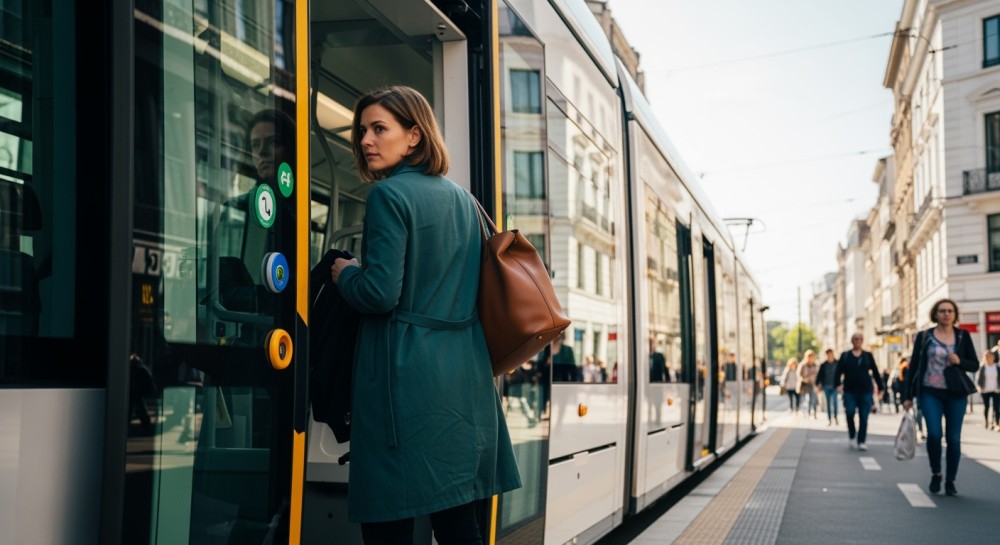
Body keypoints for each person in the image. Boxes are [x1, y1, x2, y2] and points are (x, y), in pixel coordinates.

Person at [330, 85, 521, 543]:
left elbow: (379, 294)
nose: (366, 141)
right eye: (362, 131)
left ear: (414, 136)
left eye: (380, 129)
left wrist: (344, 274)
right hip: (465, 377)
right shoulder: (464, 199)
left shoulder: (388, 197)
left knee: (389, 519)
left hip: (406, 378)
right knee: (458, 522)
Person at [902, 298, 979, 496]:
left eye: (950, 311)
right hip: (930, 392)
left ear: (955, 315)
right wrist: (907, 396)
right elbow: (914, 367)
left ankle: (951, 480)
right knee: (934, 434)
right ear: (935, 314)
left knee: (953, 438)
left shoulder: (962, 336)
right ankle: (936, 473)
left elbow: (974, 364)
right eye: (942, 311)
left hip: (956, 394)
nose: (946, 314)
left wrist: (960, 361)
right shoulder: (924, 336)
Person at [835, 333, 885, 451]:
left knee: (864, 416)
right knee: (850, 413)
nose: (857, 341)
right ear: (852, 341)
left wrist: (881, 388)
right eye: (855, 339)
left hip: (865, 391)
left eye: (859, 339)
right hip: (849, 391)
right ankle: (852, 435)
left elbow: (876, 372)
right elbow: (838, 372)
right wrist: (838, 385)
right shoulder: (845, 356)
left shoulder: (868, 356)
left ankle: (861, 441)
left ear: (862, 341)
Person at [975, 349, 999, 431]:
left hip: (996, 390)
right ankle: (986, 421)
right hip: (985, 390)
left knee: (996, 407)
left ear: (994, 357)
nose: (989, 357)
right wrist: (980, 387)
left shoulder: (997, 367)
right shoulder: (983, 367)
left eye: (991, 356)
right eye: (987, 356)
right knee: (987, 407)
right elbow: (979, 379)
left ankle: (996, 423)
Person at [815, 349, 839, 425]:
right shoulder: (823, 365)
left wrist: (841, 384)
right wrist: (817, 385)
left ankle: (835, 417)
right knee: (828, 403)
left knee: (835, 402)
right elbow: (819, 376)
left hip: (835, 386)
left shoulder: (837, 363)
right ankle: (829, 419)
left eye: (831, 354)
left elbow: (841, 374)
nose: (830, 355)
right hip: (826, 386)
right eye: (828, 354)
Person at [799, 350, 819, 418]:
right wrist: (805, 379)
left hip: (813, 384)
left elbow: (818, 375)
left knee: (813, 399)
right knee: (806, 399)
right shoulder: (803, 365)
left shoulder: (816, 365)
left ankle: (813, 412)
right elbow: (799, 375)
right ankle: (807, 412)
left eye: (812, 356)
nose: (811, 358)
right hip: (805, 385)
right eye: (809, 356)